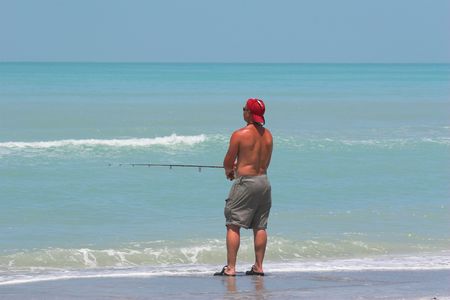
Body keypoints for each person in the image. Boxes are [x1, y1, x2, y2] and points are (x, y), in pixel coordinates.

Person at [214, 98, 273, 277]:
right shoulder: (269, 135)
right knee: (260, 226)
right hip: (263, 182)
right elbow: (264, 163)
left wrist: (230, 172)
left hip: (246, 183)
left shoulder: (239, 134)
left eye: (244, 109)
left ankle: (231, 268)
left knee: (233, 224)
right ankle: (259, 266)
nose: (243, 111)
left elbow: (228, 162)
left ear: (248, 112)